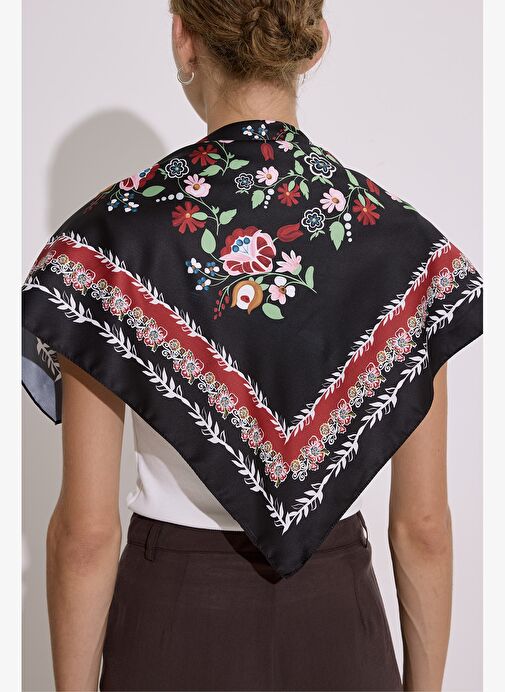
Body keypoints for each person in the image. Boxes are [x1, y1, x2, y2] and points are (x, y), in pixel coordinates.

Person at [22, 1, 483, 690]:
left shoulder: (109, 243)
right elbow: (423, 528)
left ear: (183, 37)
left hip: (170, 625)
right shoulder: (404, 252)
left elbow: (85, 536)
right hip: (338, 627)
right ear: (315, 39)